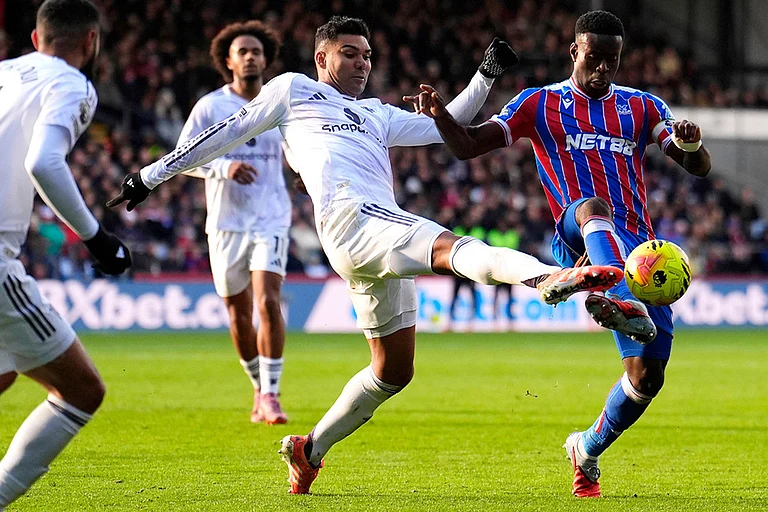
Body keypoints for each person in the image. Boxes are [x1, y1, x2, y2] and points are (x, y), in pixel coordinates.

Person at [107, 16, 623, 494]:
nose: (363, 63)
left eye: (369, 56)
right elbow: (224, 134)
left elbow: (448, 126)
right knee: (453, 247)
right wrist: (148, 177)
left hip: (371, 238)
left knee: (393, 371)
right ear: (322, 59)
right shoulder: (292, 90)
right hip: (355, 219)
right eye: (350, 54)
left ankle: (309, 451)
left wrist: (485, 75)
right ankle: (547, 278)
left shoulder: (374, 113)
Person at [416, 10, 711, 498]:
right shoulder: (540, 102)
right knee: (594, 208)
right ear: (574, 51)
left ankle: (587, 447)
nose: (601, 69)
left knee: (647, 378)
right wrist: (441, 115)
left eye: (611, 61)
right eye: (593, 58)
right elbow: (468, 146)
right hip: (577, 232)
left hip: (641, 253)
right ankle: (613, 294)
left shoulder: (642, 106)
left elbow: (695, 166)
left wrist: (693, 144)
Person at [0, 0, 132, 508]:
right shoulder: (72, 83)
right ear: (91, 42)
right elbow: (44, 161)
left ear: (36, 39)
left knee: (7, 368)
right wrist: (97, 238)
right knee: (82, 391)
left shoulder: (7, 73)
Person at [178, 21, 289, 425]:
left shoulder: (281, 103)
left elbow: (297, 150)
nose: (250, 57)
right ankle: (258, 389)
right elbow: (182, 160)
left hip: (271, 218)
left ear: (266, 59)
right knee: (239, 315)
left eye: (256, 51)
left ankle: (273, 396)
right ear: (228, 61)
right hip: (226, 223)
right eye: (242, 51)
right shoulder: (210, 107)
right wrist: (224, 168)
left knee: (267, 302)